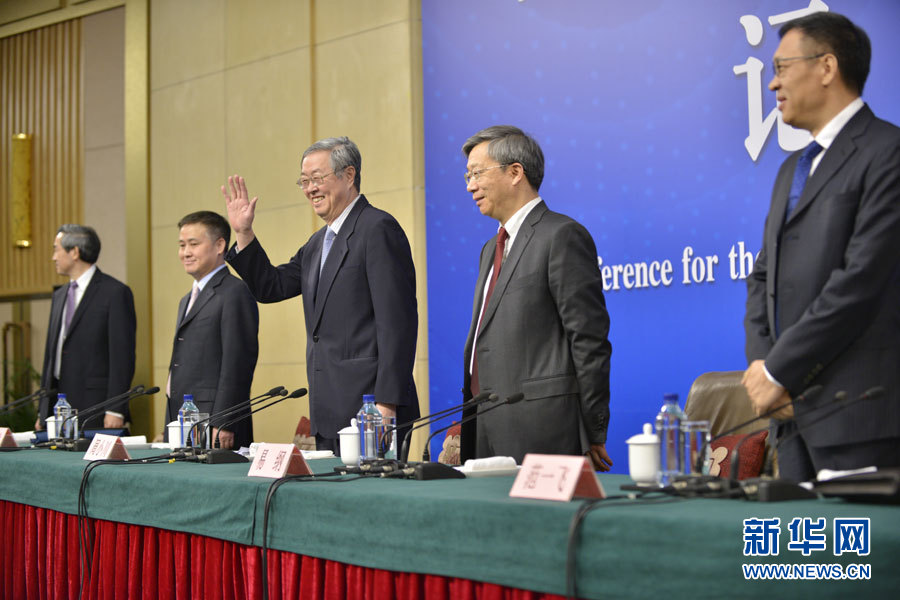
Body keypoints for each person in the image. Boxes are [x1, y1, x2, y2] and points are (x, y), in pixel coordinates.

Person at [743, 12, 900, 482]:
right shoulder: (790, 170)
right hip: (790, 422)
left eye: (782, 68)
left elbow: (860, 281)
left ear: (827, 67)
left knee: (857, 535)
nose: (772, 83)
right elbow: (763, 277)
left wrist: (779, 371)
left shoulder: (887, 152)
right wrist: (763, 368)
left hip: (858, 417)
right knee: (800, 535)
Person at [222, 136, 419, 453]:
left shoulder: (377, 228)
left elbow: (397, 323)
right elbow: (272, 286)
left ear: (349, 175)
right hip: (329, 408)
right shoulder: (317, 244)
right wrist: (244, 233)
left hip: (372, 409)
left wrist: (387, 402)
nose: (310, 189)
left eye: (317, 179)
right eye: (304, 181)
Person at [460, 125, 613, 471]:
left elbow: (588, 340)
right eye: (468, 176)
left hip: (543, 429)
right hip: (484, 422)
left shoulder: (561, 236)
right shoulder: (489, 249)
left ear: (515, 172)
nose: (470, 186)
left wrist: (592, 428)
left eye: (477, 173)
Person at [165, 211, 259, 449]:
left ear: (219, 245)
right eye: (182, 245)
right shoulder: (187, 299)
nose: (185, 252)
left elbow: (238, 363)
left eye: (193, 244)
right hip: (184, 417)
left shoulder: (234, 292)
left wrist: (224, 420)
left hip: (216, 422)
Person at [36, 225, 136, 429]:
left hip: (95, 406)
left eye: (56, 249)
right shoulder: (59, 295)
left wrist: (115, 409)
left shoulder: (114, 293)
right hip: (58, 405)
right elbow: (50, 356)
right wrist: (43, 410)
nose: (53, 257)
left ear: (74, 252)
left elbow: (122, 357)